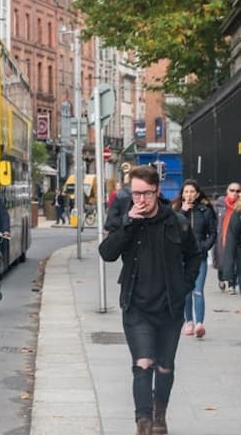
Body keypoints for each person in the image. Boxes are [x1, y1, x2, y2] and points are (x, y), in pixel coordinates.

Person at [98, 165, 199, 435]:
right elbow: (106, 253)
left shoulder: (177, 222)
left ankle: (159, 416)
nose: (140, 200)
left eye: (146, 194)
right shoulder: (127, 220)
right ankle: (143, 423)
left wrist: (185, 286)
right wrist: (128, 224)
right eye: (135, 194)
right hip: (136, 307)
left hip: (169, 308)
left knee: (164, 367)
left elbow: (195, 256)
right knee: (143, 364)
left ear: (157, 191)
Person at [171, 179, 217, 338]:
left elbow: (213, 233)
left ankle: (199, 324)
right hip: (180, 257)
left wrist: (204, 247)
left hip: (199, 257)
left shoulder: (205, 211)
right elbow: (171, 229)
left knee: (198, 290)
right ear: (182, 194)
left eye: (192, 192)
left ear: (197, 194)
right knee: (186, 290)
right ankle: (188, 321)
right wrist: (182, 211)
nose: (189, 195)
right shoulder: (175, 211)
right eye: (186, 192)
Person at [213, 182, 240, 293]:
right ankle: (222, 278)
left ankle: (232, 283)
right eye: (232, 190)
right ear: (227, 191)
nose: (235, 193)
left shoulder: (239, 206)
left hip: (235, 237)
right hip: (221, 237)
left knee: (233, 258)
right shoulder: (219, 205)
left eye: (238, 191)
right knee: (221, 258)